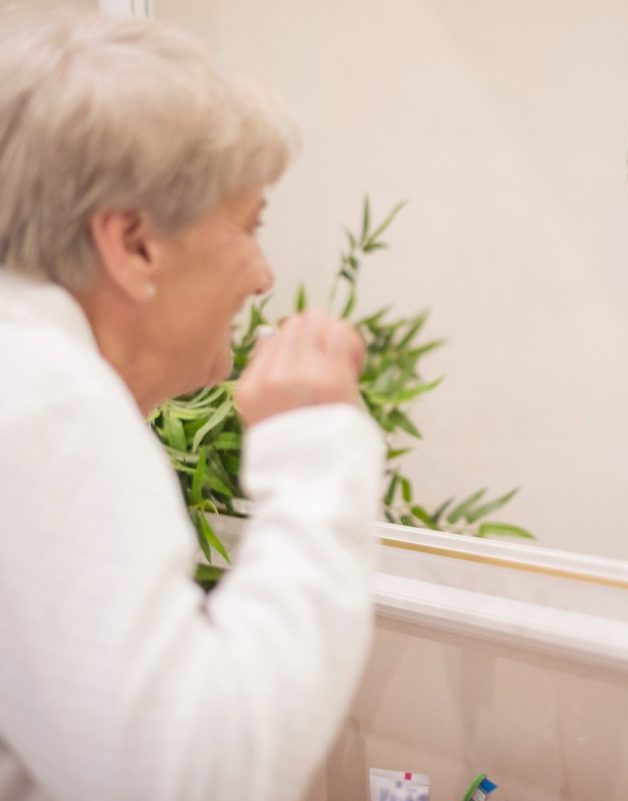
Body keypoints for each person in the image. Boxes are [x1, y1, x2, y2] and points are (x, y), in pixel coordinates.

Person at [0, 10, 384, 801]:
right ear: (133, 243)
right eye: (250, 223)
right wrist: (314, 452)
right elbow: (191, 776)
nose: (264, 276)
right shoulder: (48, 404)